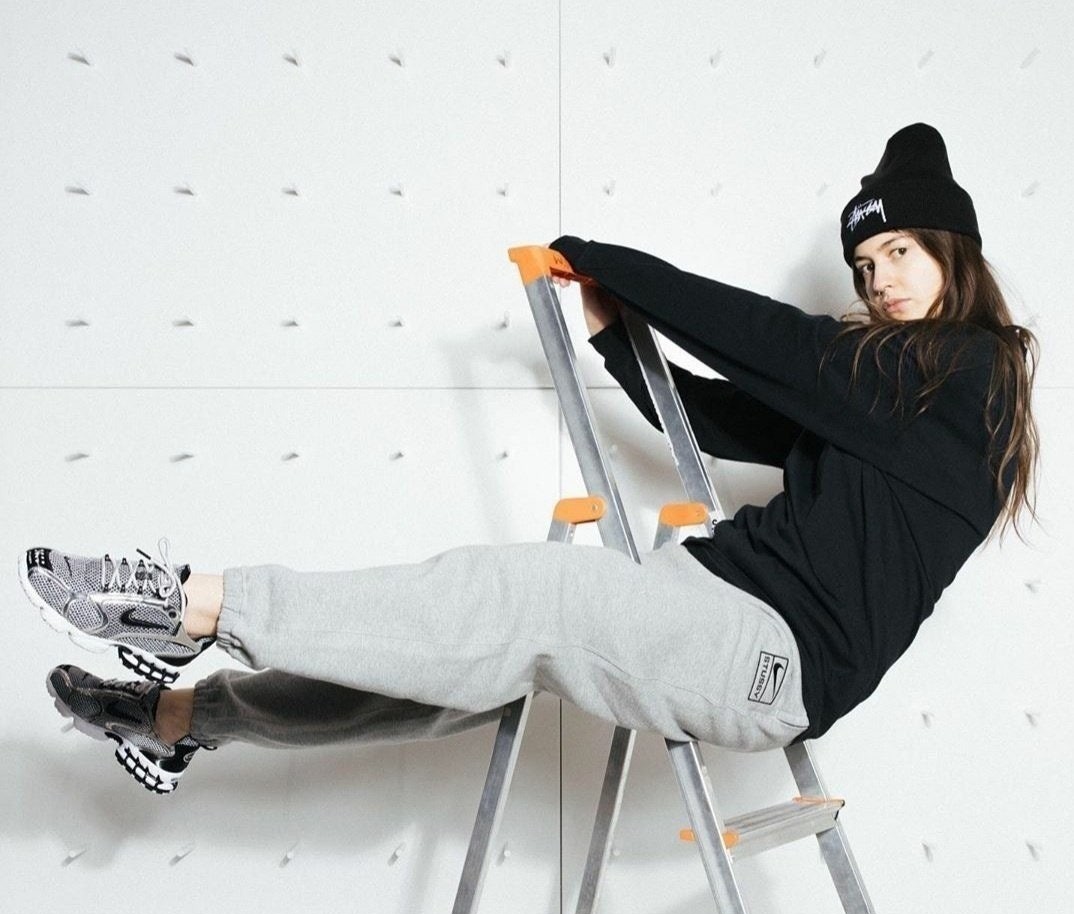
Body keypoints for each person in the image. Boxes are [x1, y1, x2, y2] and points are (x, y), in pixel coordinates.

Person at [19, 123, 1038, 795]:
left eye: (899, 252)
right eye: (866, 263)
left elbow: (780, 348)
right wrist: (615, 335)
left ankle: (191, 602)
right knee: (458, 666)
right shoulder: (893, 387)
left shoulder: (969, 377)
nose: (879, 280)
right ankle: (184, 716)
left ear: (955, 253)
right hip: (709, 595)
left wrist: (613, 263)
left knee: (528, 595)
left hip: (775, 661)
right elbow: (725, 423)